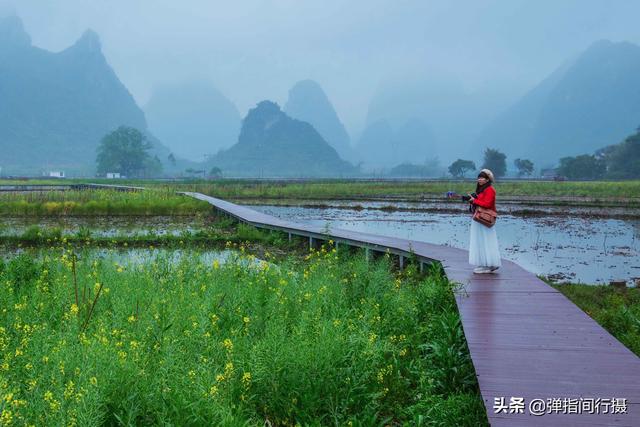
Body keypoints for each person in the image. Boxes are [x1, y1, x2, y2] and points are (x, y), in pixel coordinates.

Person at [461, 169, 501, 273]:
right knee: (480, 241)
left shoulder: (490, 190)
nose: (480, 179)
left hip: (484, 219)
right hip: (479, 218)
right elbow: (478, 200)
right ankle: (484, 263)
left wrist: (475, 201)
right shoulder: (481, 190)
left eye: (482, 177)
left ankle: (490, 264)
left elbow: (487, 204)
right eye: (479, 177)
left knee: (486, 241)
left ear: (488, 179)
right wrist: (470, 199)